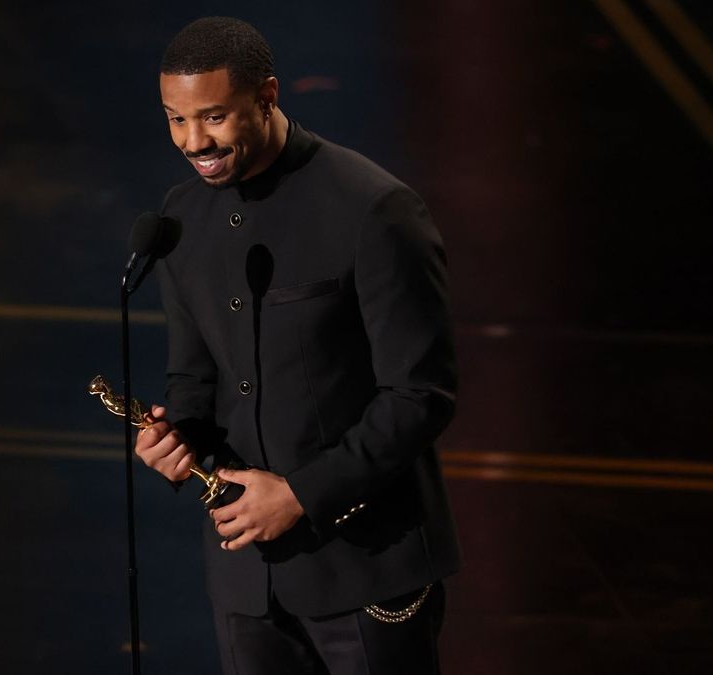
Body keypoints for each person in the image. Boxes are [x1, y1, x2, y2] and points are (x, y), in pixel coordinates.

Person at [134, 17, 461, 675]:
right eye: (176, 120)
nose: (194, 141)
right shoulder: (181, 220)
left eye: (215, 116)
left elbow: (422, 394)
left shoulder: (373, 210)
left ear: (268, 96)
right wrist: (176, 441)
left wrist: (303, 494)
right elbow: (193, 381)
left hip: (367, 569)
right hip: (246, 580)